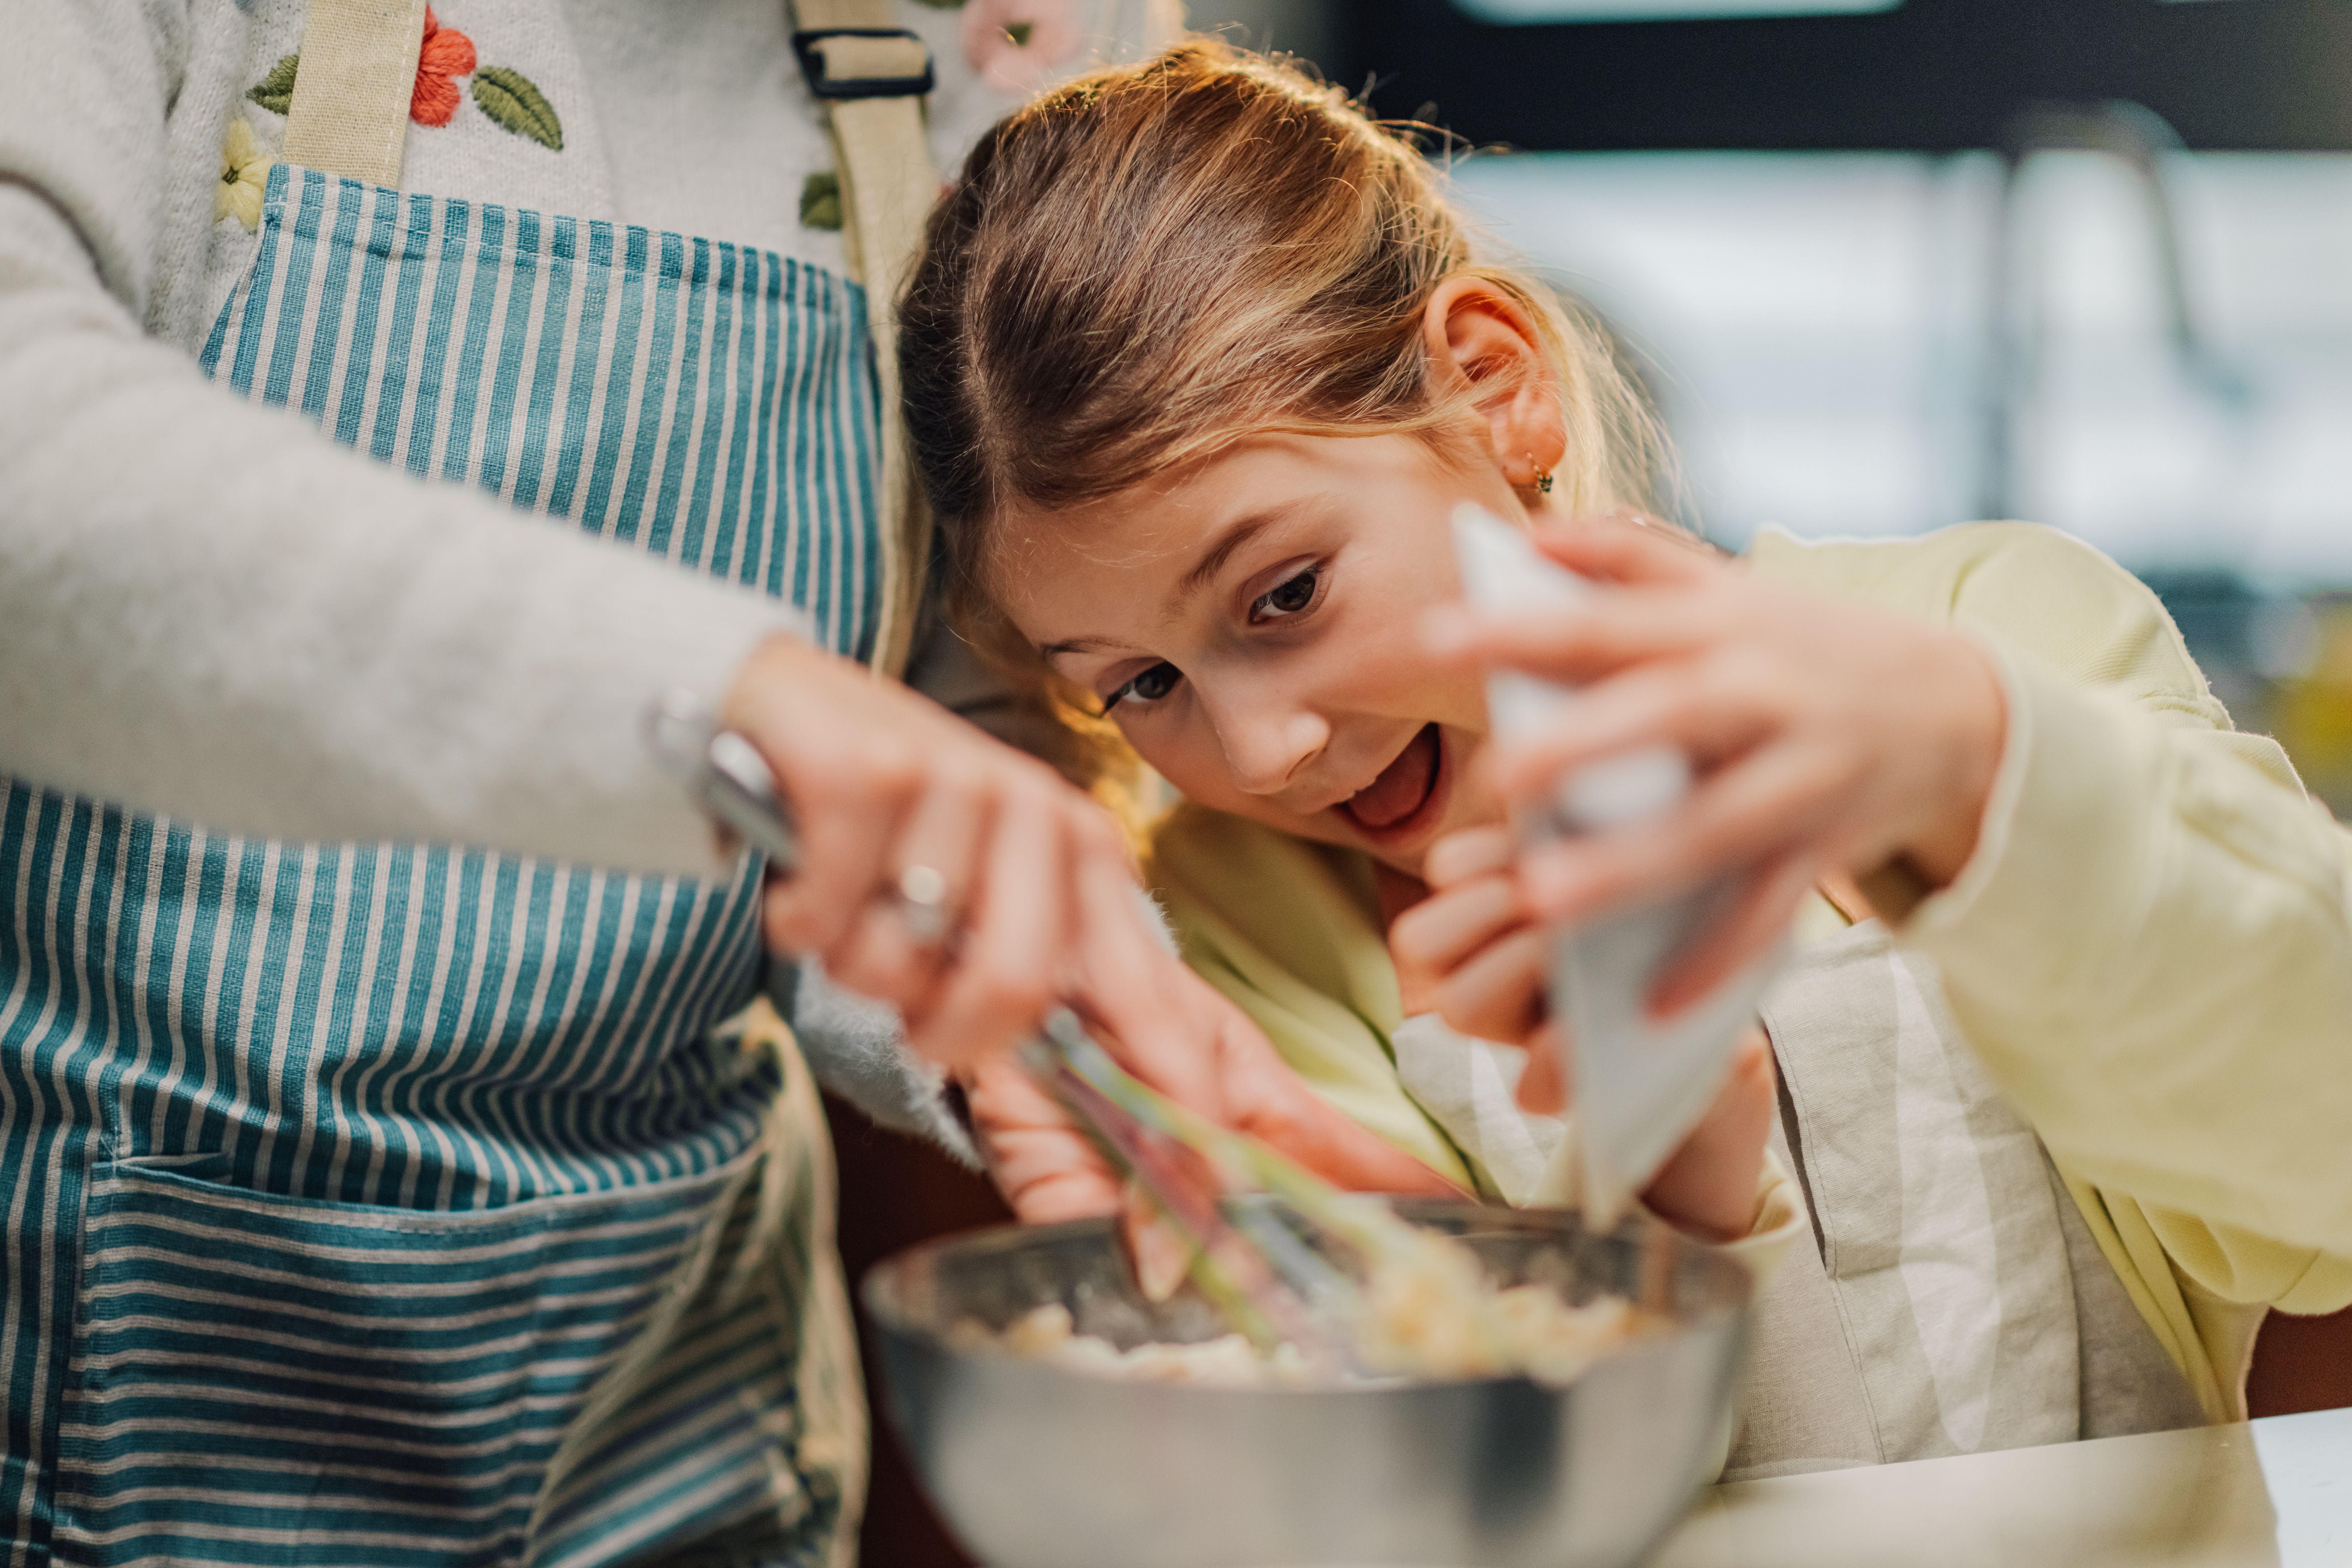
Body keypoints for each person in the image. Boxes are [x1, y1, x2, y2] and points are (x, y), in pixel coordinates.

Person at [0, 7, 1449, 1563]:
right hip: (122, 1380)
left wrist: (1040, 1016)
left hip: (686, 1410)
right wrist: (732, 698)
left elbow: (967, 688)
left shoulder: (1021, 30)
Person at [901, 41, 2352, 1478]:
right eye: (1144, 684)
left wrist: (1963, 770)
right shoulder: (1235, 938)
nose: (1263, 749)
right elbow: (1453, 1489)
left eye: (1286, 595)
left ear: (1492, 387)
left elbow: (2321, 1174)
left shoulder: (1995, 623)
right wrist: (1676, 1199)